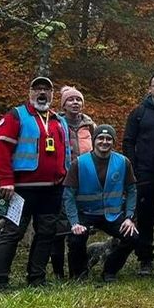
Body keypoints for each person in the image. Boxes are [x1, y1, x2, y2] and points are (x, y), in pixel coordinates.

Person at [0, 76, 72, 289]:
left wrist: (67, 177)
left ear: (53, 95)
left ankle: (37, 279)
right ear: (30, 93)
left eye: (46, 89)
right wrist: (5, 180)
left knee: (46, 234)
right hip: (20, 189)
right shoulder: (16, 115)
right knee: (11, 232)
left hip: (52, 189)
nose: (42, 93)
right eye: (37, 89)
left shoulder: (58, 120)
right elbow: (0, 148)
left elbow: (67, 153)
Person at [61, 124, 139, 282]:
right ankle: (79, 274)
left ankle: (110, 271)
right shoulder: (79, 163)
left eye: (109, 138)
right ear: (94, 141)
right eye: (101, 138)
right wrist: (75, 222)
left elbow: (132, 190)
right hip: (86, 214)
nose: (105, 142)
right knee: (76, 239)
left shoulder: (123, 162)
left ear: (113, 142)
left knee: (132, 237)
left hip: (112, 215)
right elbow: (68, 195)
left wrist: (129, 217)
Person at [122, 73, 154, 273]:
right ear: (150, 88)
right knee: (145, 217)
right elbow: (128, 141)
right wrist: (132, 169)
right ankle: (145, 258)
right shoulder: (139, 112)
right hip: (145, 173)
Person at [49, 84, 96, 279]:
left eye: (78, 100)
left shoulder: (90, 125)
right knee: (59, 227)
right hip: (60, 179)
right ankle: (58, 272)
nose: (75, 103)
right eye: (71, 100)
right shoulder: (56, 123)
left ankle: (78, 271)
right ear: (64, 104)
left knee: (80, 225)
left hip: (83, 181)